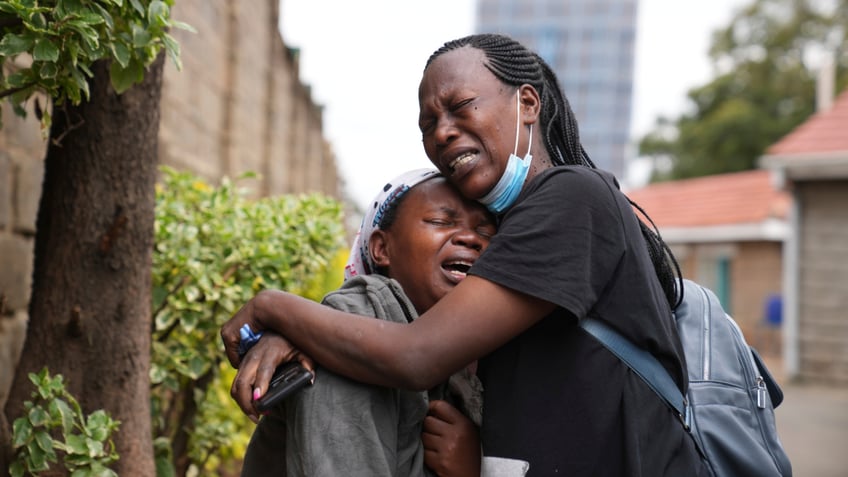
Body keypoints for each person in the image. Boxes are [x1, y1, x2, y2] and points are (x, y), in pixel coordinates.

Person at [223, 33, 708, 476]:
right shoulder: (513, 241)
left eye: (461, 107)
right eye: (428, 123)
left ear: (528, 103)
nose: (442, 132)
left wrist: (276, 310)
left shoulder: (571, 199)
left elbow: (415, 355)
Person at [235, 168, 493, 477]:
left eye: (487, 232)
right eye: (440, 221)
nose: (470, 238)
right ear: (382, 249)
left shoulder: (475, 357)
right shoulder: (346, 348)